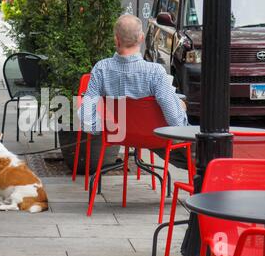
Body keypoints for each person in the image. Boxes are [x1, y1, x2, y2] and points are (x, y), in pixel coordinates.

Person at [80, 14, 190, 169]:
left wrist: (100, 128)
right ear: (142, 38)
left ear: (116, 40)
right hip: (153, 139)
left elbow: (87, 119)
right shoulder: (155, 72)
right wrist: (181, 107)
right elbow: (176, 123)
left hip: (117, 136)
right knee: (197, 150)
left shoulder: (101, 69)